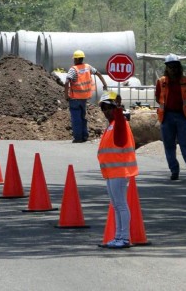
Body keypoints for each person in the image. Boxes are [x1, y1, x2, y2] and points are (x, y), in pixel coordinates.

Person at [97, 91, 138, 249]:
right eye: (103, 108)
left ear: (115, 108)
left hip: (119, 172)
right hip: (112, 173)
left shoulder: (119, 123)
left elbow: (120, 121)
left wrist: (119, 109)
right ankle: (118, 237)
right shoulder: (111, 125)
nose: (106, 111)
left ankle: (124, 237)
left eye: (108, 107)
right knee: (116, 205)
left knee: (120, 205)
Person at [155, 53, 186, 181]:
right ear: (166, 68)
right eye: (170, 67)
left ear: (179, 67)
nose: (173, 69)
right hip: (166, 117)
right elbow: (158, 97)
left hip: (181, 116)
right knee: (169, 145)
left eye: (175, 66)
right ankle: (174, 171)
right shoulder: (161, 82)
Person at [64, 50, 108, 143]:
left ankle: (78, 138)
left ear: (76, 59)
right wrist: (104, 84)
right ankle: (84, 136)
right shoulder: (88, 67)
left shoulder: (73, 69)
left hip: (74, 98)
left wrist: (66, 95)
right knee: (83, 118)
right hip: (84, 97)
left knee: (76, 118)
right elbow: (98, 73)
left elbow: (67, 81)